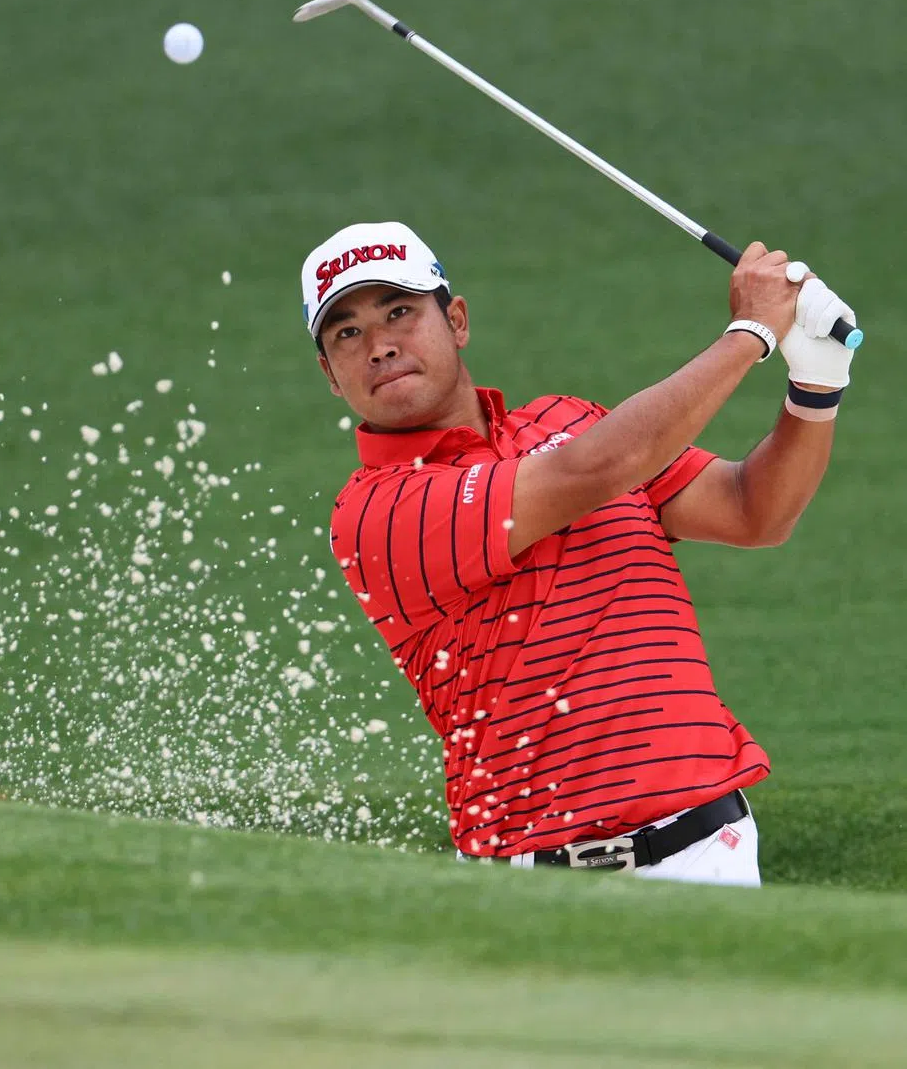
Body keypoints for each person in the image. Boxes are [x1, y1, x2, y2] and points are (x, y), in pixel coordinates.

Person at [301, 220, 857, 886]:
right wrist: (752, 333)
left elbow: (752, 510)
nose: (380, 346)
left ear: (456, 320)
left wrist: (816, 387)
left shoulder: (569, 424)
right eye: (347, 333)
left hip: (712, 851)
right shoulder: (375, 512)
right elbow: (592, 472)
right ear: (330, 375)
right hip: (532, 883)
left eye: (399, 313)